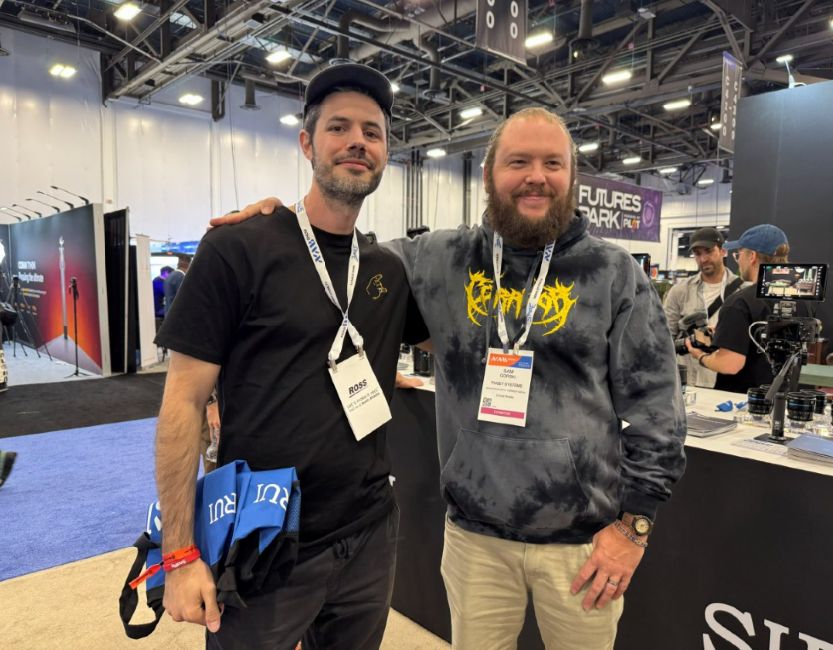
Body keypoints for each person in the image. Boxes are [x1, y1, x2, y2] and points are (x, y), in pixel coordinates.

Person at [215, 107, 687, 649]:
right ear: (488, 175)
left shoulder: (612, 272)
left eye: (553, 163)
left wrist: (635, 527)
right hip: (474, 539)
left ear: (572, 176)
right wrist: (280, 224)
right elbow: (343, 258)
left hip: (581, 544)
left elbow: (657, 408)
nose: (536, 176)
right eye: (519, 162)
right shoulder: (439, 258)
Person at [153, 63, 428, 650]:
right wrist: (179, 553)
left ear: (386, 154)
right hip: (265, 533)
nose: (357, 142)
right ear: (307, 143)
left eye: (373, 132)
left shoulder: (387, 270)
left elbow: (447, 342)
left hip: (369, 532)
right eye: (338, 128)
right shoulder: (238, 248)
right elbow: (182, 402)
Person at [687, 224, 808, 394]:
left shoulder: (739, 302)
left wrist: (699, 356)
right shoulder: (802, 300)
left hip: (741, 401)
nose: (738, 261)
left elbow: (729, 365)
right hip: (783, 398)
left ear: (752, 256)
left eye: (739, 254)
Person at [664, 227, 747, 388]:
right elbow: (666, 338)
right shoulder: (679, 291)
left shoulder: (743, 291)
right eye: (697, 254)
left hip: (726, 382)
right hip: (687, 381)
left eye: (708, 251)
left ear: (723, 251)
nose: (703, 259)